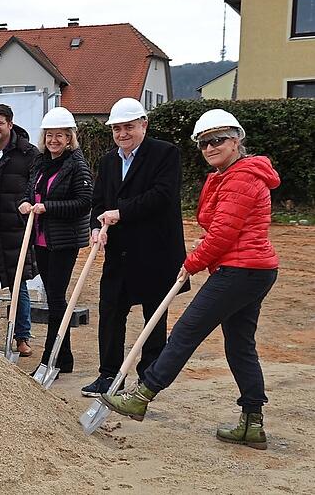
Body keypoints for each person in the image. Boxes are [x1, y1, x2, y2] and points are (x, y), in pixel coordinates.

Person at [100, 109, 279, 450]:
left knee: (185, 332)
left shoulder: (241, 177)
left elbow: (223, 233)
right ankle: (252, 423)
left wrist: (193, 262)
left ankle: (142, 395)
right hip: (249, 269)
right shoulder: (225, 175)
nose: (210, 147)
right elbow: (218, 223)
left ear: (236, 140)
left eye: (218, 140)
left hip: (241, 270)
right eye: (204, 142)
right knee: (240, 345)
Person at [81, 98, 189, 398]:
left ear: (144, 125)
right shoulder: (109, 162)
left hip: (156, 253)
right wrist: (95, 228)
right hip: (120, 254)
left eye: (128, 126)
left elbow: (162, 196)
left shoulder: (165, 154)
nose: (122, 133)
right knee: (111, 312)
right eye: (117, 128)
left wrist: (122, 212)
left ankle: (147, 380)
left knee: (154, 319)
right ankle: (108, 375)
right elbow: (98, 202)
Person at [18, 107, 92, 376]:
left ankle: (51, 357)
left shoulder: (76, 164)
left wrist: (48, 207)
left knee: (57, 299)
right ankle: (65, 357)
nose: (54, 141)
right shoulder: (41, 162)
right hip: (41, 238)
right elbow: (29, 190)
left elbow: (83, 203)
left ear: (70, 137)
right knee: (53, 297)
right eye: (50, 135)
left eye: (60, 136)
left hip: (63, 241)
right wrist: (25, 203)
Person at [0, 103, 38, 354]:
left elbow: (32, 186)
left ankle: (22, 336)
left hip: (14, 229)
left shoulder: (28, 153)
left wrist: (20, 204)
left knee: (18, 286)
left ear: (10, 124)